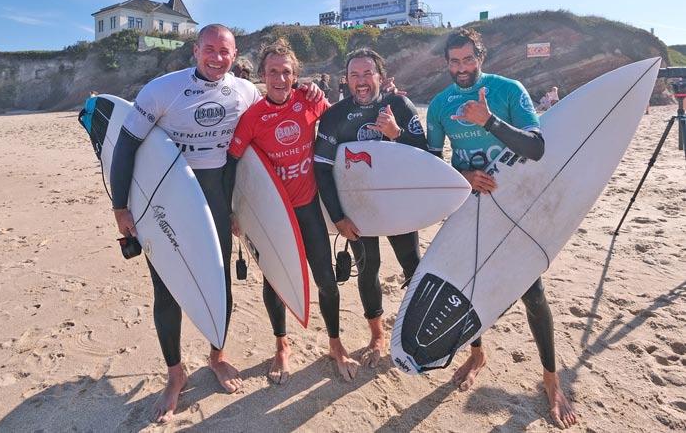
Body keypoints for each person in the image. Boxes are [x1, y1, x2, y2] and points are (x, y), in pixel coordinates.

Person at [109, 24, 323, 422]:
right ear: (196, 50)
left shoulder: (243, 91)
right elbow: (125, 145)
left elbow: (275, 106)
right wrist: (120, 206)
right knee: (166, 290)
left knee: (219, 280)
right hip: (167, 200)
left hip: (218, 199)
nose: (217, 58)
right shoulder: (161, 90)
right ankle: (175, 374)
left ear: (234, 54)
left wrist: (307, 89)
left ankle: (216, 356)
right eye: (209, 49)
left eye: (225, 51)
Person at [426, 28, 577, 429]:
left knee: (533, 295)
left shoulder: (508, 90)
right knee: (469, 287)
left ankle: (550, 379)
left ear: (480, 57)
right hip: (469, 207)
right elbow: (432, 162)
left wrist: (488, 120)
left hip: (516, 207)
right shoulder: (439, 105)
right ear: (447, 63)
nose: (462, 68)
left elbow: (536, 147)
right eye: (454, 61)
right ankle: (477, 353)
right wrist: (463, 176)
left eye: (468, 59)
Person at [226, 38, 360, 383]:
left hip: (308, 207)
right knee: (275, 283)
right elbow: (233, 164)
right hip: (273, 215)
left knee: (326, 281)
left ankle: (335, 344)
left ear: (296, 75)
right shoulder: (252, 118)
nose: (280, 79)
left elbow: (339, 128)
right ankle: (281, 346)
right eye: (273, 72)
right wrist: (233, 211)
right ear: (263, 75)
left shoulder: (309, 101)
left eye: (286, 72)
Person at [314, 48, 428, 369]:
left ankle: (415, 331)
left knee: (413, 266)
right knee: (368, 268)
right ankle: (377, 335)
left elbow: (427, 158)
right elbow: (322, 168)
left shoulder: (400, 107)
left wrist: (396, 134)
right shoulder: (335, 116)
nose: (361, 81)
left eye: (367, 73)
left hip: (397, 204)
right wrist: (338, 217)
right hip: (358, 208)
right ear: (346, 79)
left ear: (381, 76)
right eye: (354, 75)